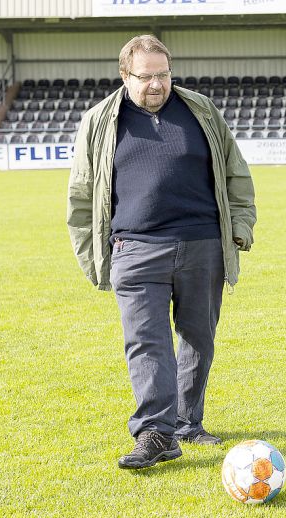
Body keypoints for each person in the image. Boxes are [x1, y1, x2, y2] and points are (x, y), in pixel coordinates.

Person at [67, 35, 257, 470]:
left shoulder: (201, 110)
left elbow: (235, 174)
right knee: (147, 342)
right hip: (134, 248)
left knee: (198, 340)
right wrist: (93, 258)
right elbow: (80, 197)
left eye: (163, 74)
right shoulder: (98, 121)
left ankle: (188, 422)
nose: (156, 84)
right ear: (124, 75)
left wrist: (240, 229)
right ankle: (155, 432)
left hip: (203, 243)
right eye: (146, 76)